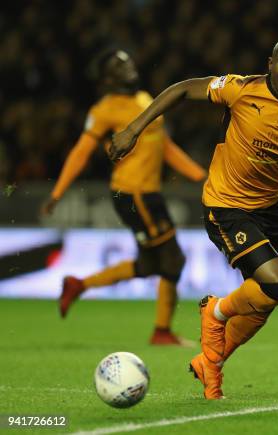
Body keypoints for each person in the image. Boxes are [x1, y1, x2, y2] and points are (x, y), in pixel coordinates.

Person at [109, 36, 278, 399]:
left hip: (268, 209)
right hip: (225, 205)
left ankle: (209, 363)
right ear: (270, 63)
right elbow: (181, 90)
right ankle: (216, 311)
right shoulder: (241, 89)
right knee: (277, 283)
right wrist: (133, 129)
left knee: (267, 299)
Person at [41, 49, 207, 346]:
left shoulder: (145, 98)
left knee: (148, 265)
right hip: (133, 193)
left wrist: (200, 176)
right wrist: (57, 193)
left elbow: (164, 145)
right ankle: (162, 331)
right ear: (107, 78)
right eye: (119, 65)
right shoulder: (104, 110)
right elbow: (81, 153)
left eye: (128, 60)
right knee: (173, 259)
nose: (129, 65)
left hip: (148, 193)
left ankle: (79, 285)